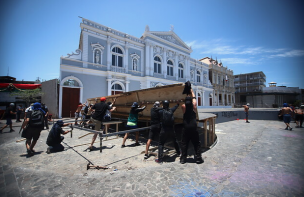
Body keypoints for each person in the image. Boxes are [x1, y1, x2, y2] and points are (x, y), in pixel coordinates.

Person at [180, 89, 204, 164]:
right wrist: (192, 92)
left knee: (184, 143)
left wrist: (186, 95)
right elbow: (194, 101)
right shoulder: (194, 107)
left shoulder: (183, 106)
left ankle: (183, 158)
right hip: (193, 127)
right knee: (196, 143)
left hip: (186, 127)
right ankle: (198, 158)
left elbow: (184, 103)